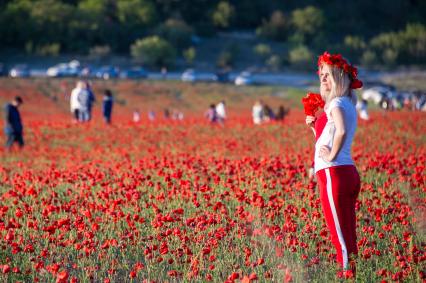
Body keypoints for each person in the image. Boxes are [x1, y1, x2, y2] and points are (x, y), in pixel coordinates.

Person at [306, 52, 362, 276]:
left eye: (327, 75)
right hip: (347, 172)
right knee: (348, 234)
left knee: (340, 237)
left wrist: (330, 156)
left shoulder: (335, 103)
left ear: (339, 77)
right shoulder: (348, 103)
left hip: (333, 174)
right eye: (321, 74)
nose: (323, 78)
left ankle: (347, 276)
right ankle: (354, 274)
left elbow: (341, 131)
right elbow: (331, 135)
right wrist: (314, 128)